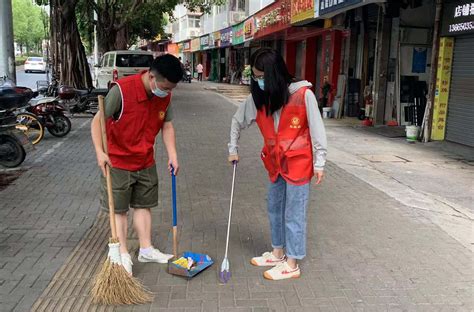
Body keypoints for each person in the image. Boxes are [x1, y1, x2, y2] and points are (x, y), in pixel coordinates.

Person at [228, 48, 327, 281]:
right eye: (255, 77)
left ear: (274, 74)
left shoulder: (303, 95)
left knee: (294, 212)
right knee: (274, 207)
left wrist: (320, 162)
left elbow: (317, 130)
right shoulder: (260, 98)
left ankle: (292, 264)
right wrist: (233, 149)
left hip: (299, 164)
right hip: (275, 164)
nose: (258, 82)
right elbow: (236, 121)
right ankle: (278, 252)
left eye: (262, 77)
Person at [91, 54, 183, 275]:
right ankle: (122, 253)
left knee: (144, 205)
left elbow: (167, 126)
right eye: (166, 87)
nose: (168, 92)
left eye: (171, 89)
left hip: (145, 160)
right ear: (152, 77)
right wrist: (100, 153)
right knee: (120, 210)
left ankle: (146, 248)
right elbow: (97, 121)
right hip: (118, 161)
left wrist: (173, 155)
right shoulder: (121, 91)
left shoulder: (164, 96)